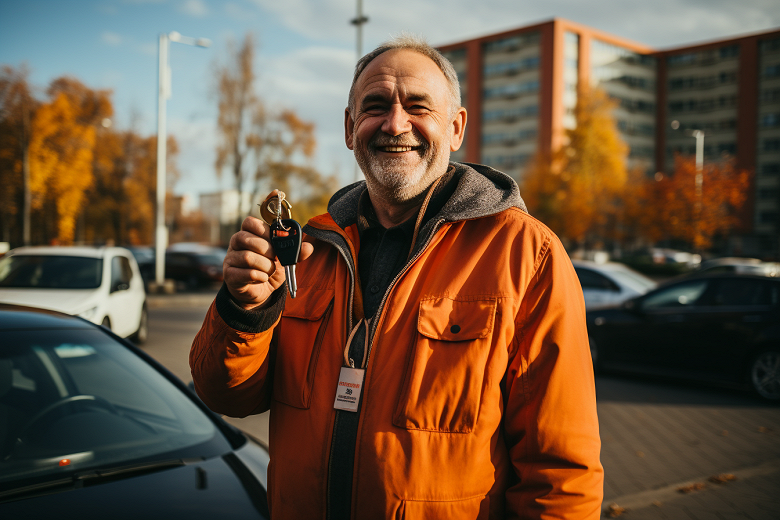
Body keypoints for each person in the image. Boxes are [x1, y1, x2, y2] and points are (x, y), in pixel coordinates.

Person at [190, 35, 603, 519]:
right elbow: (225, 395)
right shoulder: (307, 252)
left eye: (418, 106)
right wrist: (245, 309)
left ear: (456, 127)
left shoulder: (527, 256)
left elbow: (560, 473)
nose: (395, 123)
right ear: (349, 128)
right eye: (376, 105)